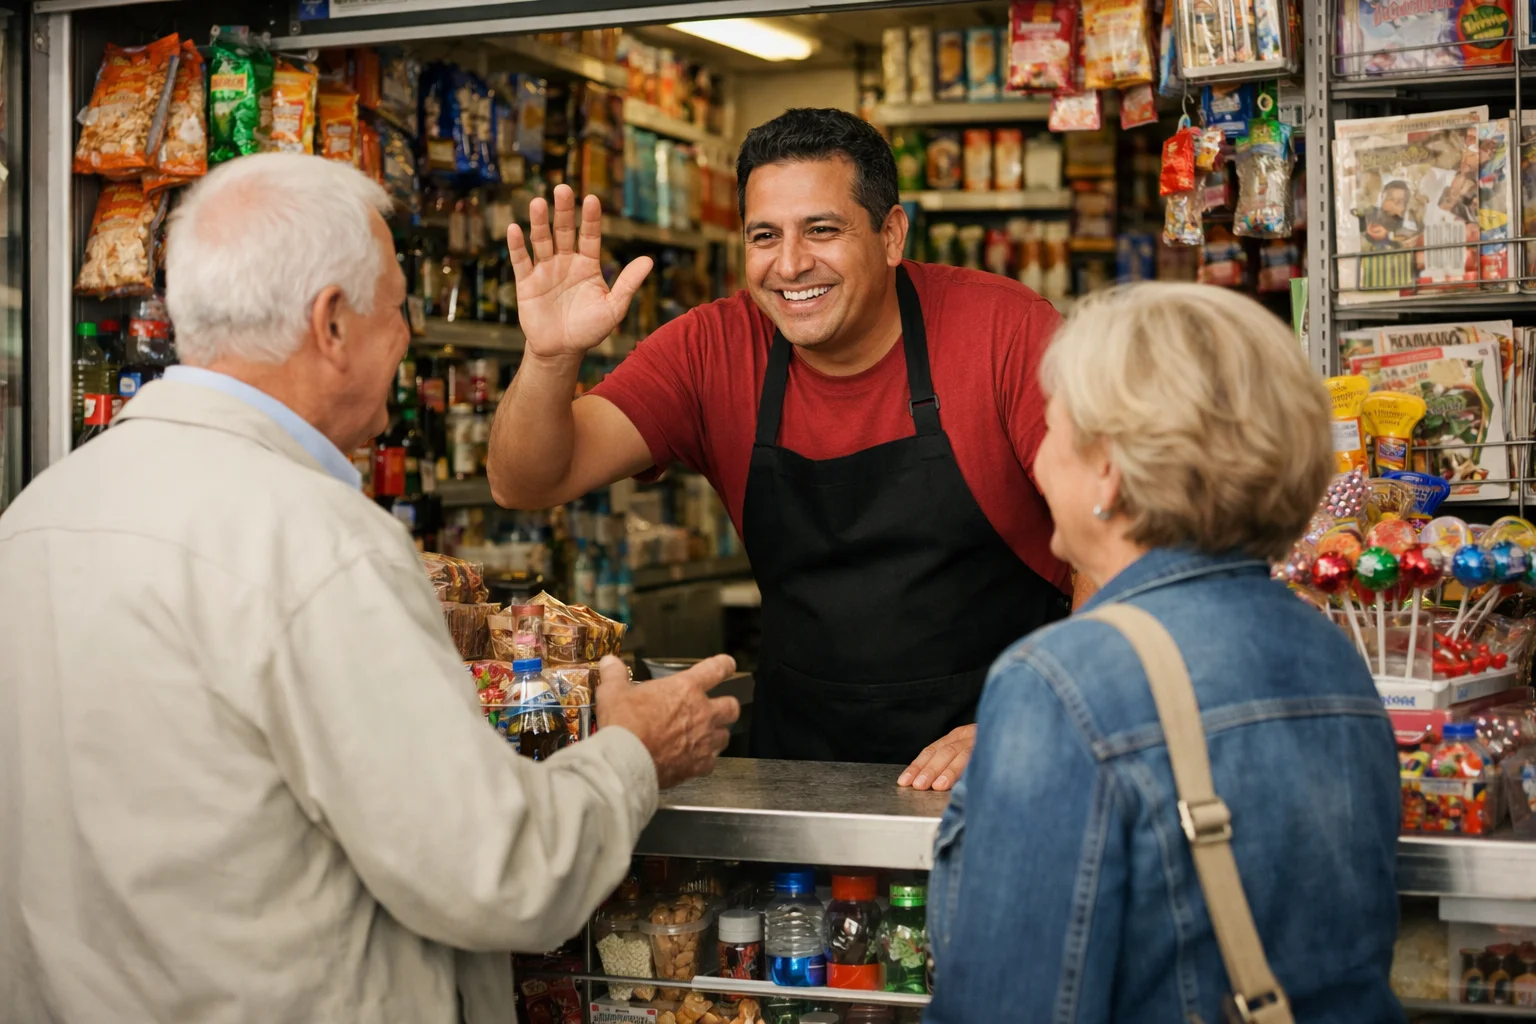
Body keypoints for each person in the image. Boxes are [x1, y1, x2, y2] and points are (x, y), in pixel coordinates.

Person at [0, 154, 740, 1024]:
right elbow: (499, 877)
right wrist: (629, 749)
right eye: (397, 307)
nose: (409, 337)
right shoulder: (318, 545)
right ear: (332, 324)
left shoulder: (36, 518)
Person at [487, 107, 1073, 787]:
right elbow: (524, 482)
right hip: (803, 761)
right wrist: (550, 357)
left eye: (821, 230)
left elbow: (1117, 534)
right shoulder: (712, 348)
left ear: (891, 235)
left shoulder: (1003, 330)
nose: (790, 265)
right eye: (765, 235)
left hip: (1002, 757)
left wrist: (1035, 711)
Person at [923, 284, 1402, 1024]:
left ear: (1108, 469)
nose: (1039, 463)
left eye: (1050, 430)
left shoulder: (1059, 685)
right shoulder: (1330, 649)